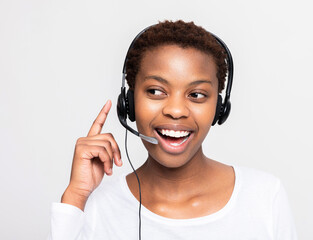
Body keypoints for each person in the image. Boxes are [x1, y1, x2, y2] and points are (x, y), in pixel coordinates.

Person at [48, 20, 297, 240]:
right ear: (130, 102)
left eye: (197, 94)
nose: (176, 110)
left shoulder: (264, 197)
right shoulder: (96, 206)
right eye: (156, 91)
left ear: (219, 109)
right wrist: (76, 197)